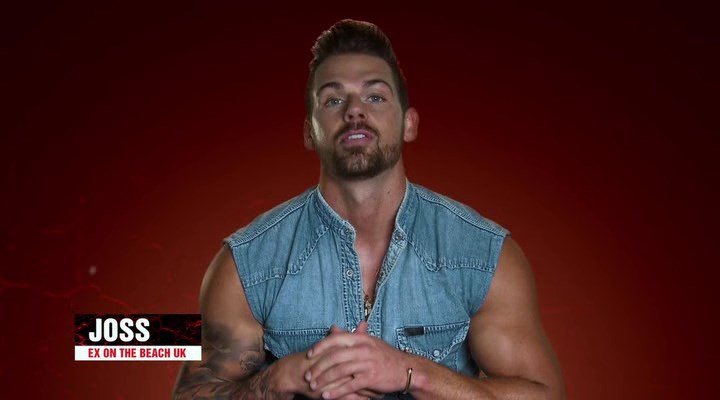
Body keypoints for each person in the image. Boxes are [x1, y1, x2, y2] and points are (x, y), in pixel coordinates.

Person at [172, 19, 565, 400]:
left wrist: (412, 373)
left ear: (409, 123)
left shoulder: (484, 255)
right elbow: (191, 394)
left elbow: (546, 394)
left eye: (375, 96)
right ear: (309, 132)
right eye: (333, 99)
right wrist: (281, 380)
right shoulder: (245, 264)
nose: (354, 111)